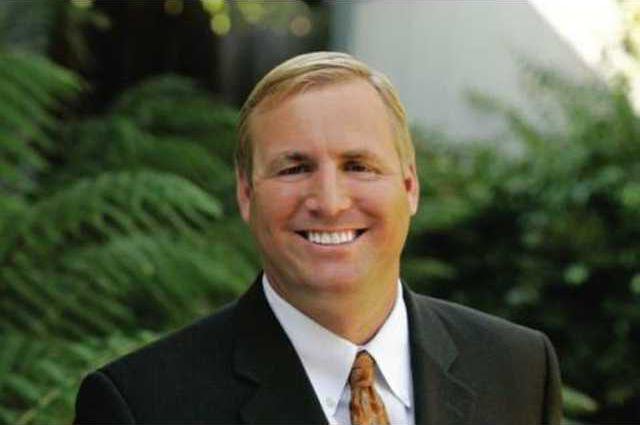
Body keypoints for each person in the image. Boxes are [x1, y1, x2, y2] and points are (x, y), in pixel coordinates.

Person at [74, 51, 562, 425]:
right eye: (294, 168)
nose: (329, 202)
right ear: (246, 194)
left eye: (358, 166)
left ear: (410, 186)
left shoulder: (519, 370)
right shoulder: (140, 406)